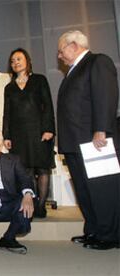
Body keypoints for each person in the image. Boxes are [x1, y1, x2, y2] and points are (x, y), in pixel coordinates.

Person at [57, 30, 119, 250]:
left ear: (74, 45)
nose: (59, 55)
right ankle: (93, 230)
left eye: (61, 49)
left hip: (95, 141)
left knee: (102, 189)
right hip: (74, 142)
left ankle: (110, 235)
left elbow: (106, 96)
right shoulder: (73, 72)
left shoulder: (97, 62)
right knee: (84, 191)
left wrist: (100, 129)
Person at [3, 48, 55, 218]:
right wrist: (7, 135)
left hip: (39, 131)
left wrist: (48, 129)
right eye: (12, 60)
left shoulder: (39, 80)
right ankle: (30, 204)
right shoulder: (9, 87)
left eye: (19, 58)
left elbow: (47, 105)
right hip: (18, 134)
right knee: (26, 171)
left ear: (27, 60)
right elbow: (7, 113)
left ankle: (40, 206)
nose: (15, 62)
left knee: (42, 168)